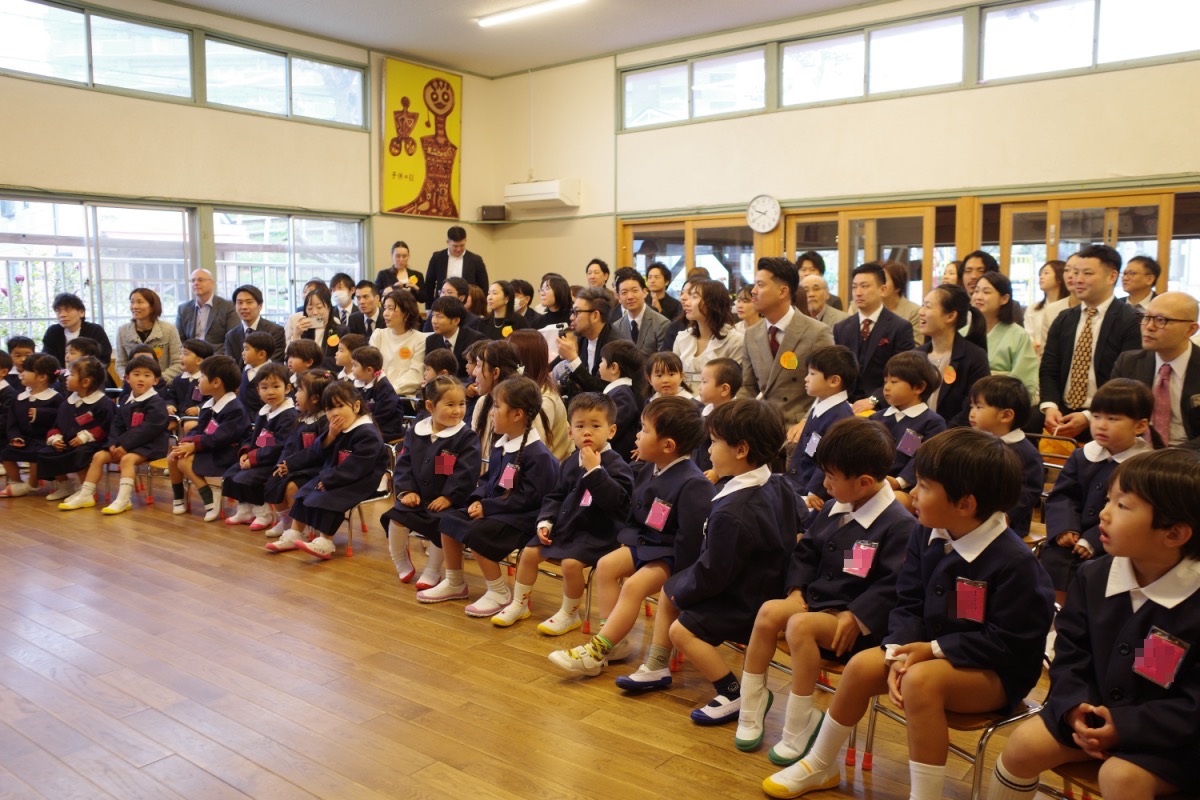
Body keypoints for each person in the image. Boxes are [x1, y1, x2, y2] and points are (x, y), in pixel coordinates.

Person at [762, 428, 1056, 800]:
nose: (912, 494)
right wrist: (899, 649)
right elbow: (908, 602)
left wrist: (932, 651)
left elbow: (1010, 642)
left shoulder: (1015, 563)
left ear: (965, 504)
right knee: (862, 667)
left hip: (994, 670)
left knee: (920, 681)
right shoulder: (926, 533)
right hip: (927, 651)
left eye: (925, 487)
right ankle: (820, 763)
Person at [984, 448, 1200, 800]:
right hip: (1091, 714)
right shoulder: (1093, 575)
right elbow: (1071, 652)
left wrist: (1126, 727)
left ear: (1174, 534)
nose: (1104, 512)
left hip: (1170, 738)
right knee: (1023, 745)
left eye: (1123, 505)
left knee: (1121, 778)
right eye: (1109, 499)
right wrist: (1075, 708)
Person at [736, 417, 912, 758]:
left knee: (799, 626)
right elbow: (806, 553)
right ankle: (751, 704)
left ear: (864, 482)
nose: (824, 483)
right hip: (815, 603)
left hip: (853, 626)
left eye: (831, 476)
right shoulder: (834, 506)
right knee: (770, 611)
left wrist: (857, 615)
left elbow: (895, 585)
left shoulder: (898, 525)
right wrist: (796, 590)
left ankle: (800, 721)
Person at [622, 400, 797, 726]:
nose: (708, 449)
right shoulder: (776, 482)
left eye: (714, 442)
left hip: (745, 598)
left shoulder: (734, 512)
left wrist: (681, 588)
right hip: (760, 584)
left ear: (741, 450)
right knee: (673, 589)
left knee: (682, 629)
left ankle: (731, 691)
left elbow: (715, 572)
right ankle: (657, 665)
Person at [548, 396, 714, 676]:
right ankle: (615, 641)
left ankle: (598, 650)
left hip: (672, 555)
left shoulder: (694, 483)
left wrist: (679, 581)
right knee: (606, 565)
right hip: (648, 545)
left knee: (634, 586)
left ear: (668, 446)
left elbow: (690, 542)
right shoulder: (649, 467)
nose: (637, 436)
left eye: (645, 430)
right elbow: (633, 512)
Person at [491, 392, 636, 632]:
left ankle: (570, 613)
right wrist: (546, 521)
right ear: (570, 432)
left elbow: (618, 504)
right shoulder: (570, 461)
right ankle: (519, 603)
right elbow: (555, 496)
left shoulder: (617, 466)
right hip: (565, 528)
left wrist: (595, 471)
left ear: (611, 431)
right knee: (528, 553)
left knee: (570, 564)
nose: (587, 432)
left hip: (596, 534)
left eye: (595, 426)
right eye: (580, 426)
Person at [418, 376, 559, 615]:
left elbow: (530, 499)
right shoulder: (502, 444)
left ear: (517, 414)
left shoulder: (538, 456)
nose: (491, 413)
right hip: (499, 509)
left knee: (477, 533)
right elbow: (488, 480)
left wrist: (489, 507)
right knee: (449, 520)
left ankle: (498, 591)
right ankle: (455, 582)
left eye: (496, 406)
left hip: (522, 519)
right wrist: (477, 499)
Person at [1040, 378, 1155, 605]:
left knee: (1099, 575)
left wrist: (1093, 539)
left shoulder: (1144, 466)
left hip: (1114, 545)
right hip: (1072, 537)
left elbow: (1132, 514)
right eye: (1096, 416)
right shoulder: (1082, 455)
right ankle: (1058, 612)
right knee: (1054, 557)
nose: (1101, 425)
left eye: (1112, 419)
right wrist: (1065, 528)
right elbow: (1064, 495)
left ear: (1140, 426)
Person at [268, 380, 388, 560]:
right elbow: (316, 451)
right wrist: (330, 436)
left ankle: (325, 541)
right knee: (304, 492)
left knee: (330, 498)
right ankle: (294, 534)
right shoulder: (336, 429)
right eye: (329, 409)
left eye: (340, 406)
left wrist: (328, 480)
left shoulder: (367, 433)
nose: (335, 413)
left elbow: (357, 466)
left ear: (356, 406)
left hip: (360, 481)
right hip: (335, 476)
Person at [379, 376, 481, 587]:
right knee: (395, 517)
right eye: (450, 404)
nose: (457, 410)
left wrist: (449, 497)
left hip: (448, 503)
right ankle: (400, 560)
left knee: (444, 526)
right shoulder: (416, 431)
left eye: (462, 404)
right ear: (430, 406)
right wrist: (407, 491)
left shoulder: (466, 437)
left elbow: (466, 473)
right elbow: (404, 464)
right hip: (417, 498)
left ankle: (433, 570)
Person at [1040, 244, 1143, 440]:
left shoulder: (1131, 321)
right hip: (1061, 413)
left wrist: (1089, 415)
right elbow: (1049, 367)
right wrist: (1050, 406)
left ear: (1112, 277)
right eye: (1075, 272)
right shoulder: (1064, 318)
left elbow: (1128, 380)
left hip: (1109, 415)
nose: (1077, 279)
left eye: (1087, 273)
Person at [57, 355, 169, 513]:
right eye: (136, 374)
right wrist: (113, 444)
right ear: (127, 378)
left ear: (155, 380)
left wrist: (124, 445)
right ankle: (86, 494)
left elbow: (148, 429)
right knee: (98, 456)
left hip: (150, 445)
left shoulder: (156, 402)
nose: (141, 379)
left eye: (147, 375)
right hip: (127, 444)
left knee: (127, 460)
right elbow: (116, 424)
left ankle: (123, 499)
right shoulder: (126, 399)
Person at [739, 257, 835, 434]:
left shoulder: (817, 332)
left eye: (760, 285)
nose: (753, 291)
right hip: (762, 426)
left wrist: (806, 422)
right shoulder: (752, 334)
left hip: (800, 427)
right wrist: (731, 414)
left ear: (783, 291)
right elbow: (749, 387)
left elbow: (830, 389)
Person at [1111, 291, 1200, 447]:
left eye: (1161, 320)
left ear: (1190, 330)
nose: (1149, 327)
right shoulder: (1128, 362)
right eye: (1146, 317)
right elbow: (1113, 413)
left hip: (1190, 455)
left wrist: (1171, 455)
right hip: (1135, 451)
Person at [169, 354, 251, 522]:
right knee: (173, 456)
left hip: (227, 452)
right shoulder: (209, 404)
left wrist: (194, 446)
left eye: (202, 376)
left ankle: (209, 496)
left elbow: (220, 438)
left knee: (183, 462)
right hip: (210, 447)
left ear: (216, 382)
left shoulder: (235, 409)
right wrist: (186, 442)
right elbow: (200, 429)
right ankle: (179, 497)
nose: (199, 380)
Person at [221, 363, 298, 528]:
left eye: (276, 386)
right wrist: (245, 453)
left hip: (274, 461)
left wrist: (253, 459)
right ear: (258, 390)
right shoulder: (264, 412)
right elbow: (255, 437)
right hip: (259, 457)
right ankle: (245, 509)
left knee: (248, 478)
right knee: (230, 475)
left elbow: (279, 446)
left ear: (287, 388)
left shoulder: (289, 415)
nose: (270, 392)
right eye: (264, 387)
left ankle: (263, 513)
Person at [968, 375, 1043, 539]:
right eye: (971, 406)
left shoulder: (1026, 453)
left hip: (1007, 525)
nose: (972, 413)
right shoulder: (976, 442)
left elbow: (1029, 491)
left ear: (1006, 415)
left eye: (979, 407)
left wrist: (1008, 516)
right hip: (974, 516)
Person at [262, 369, 332, 539]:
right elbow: (288, 445)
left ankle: (300, 526)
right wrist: (282, 463)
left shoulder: (324, 422)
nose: (295, 395)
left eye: (300, 390)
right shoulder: (300, 418)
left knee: (292, 487)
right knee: (274, 479)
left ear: (314, 398)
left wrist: (290, 465)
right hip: (292, 465)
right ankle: (286, 521)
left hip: (312, 468)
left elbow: (315, 453)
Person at [835, 263, 916, 411]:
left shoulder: (900, 327)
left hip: (883, 406)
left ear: (882, 289)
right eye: (854, 287)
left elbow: (904, 373)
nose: (858, 293)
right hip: (845, 404)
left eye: (864, 286)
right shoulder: (841, 328)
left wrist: (874, 399)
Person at [785, 345, 856, 510]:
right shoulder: (819, 406)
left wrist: (814, 491)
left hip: (815, 492)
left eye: (812, 374)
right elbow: (809, 449)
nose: (806, 378)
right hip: (798, 482)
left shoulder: (841, 417)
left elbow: (831, 460)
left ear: (834, 381)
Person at [36, 355, 115, 502]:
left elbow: (106, 427)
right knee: (46, 452)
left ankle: (85, 490)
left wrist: (84, 437)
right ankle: (65, 485)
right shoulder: (68, 402)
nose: (67, 377)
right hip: (69, 441)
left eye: (72, 374)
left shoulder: (103, 403)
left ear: (85, 382)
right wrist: (56, 438)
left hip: (93, 444)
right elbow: (57, 425)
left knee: (82, 453)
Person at [869, 351, 946, 494]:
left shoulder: (931, 422)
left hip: (908, 489)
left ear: (919, 387)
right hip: (871, 481)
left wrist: (900, 481)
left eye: (894, 382)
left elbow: (924, 459)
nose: (886, 387)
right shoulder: (876, 418)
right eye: (885, 381)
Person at [917, 283, 991, 428]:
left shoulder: (974, 357)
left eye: (928, 307)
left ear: (950, 316)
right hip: (915, 434)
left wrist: (940, 435)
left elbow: (971, 409)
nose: (921, 312)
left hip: (955, 436)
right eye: (922, 305)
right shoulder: (916, 355)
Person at [0, 353, 63, 497]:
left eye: (27, 371)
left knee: (36, 454)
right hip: (24, 439)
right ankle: (16, 482)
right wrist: (15, 437)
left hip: (43, 439)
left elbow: (59, 418)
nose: (22, 374)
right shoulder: (20, 397)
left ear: (42, 377)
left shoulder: (55, 398)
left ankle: (32, 485)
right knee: (6, 453)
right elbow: (12, 421)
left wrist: (40, 413)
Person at [973, 271, 1040, 404]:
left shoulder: (1019, 335)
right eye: (976, 291)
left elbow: (1024, 382)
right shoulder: (964, 333)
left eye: (986, 292)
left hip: (1003, 403)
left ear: (1004, 299)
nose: (978, 297)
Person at [507, 329, 570, 459]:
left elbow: (531, 456)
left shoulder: (544, 401)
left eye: (508, 355)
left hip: (544, 470)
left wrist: (505, 475)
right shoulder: (513, 394)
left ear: (522, 360)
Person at [556, 286, 629, 397]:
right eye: (572, 311)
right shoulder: (584, 337)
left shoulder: (615, 345)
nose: (571, 317)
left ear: (595, 316)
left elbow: (601, 392)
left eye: (576, 312)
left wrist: (573, 359)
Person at [674, 279, 744, 385]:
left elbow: (736, 385)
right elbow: (672, 374)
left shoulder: (735, 341)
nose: (687, 303)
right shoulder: (682, 338)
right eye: (689, 296)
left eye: (694, 297)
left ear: (712, 303)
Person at [115, 287, 183, 381]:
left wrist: (156, 380)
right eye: (132, 302)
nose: (134, 306)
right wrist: (129, 378)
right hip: (133, 385)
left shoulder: (169, 329)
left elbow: (178, 363)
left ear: (152, 307)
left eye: (140, 302)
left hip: (162, 384)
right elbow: (120, 364)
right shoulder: (123, 331)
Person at [370, 289, 425, 396]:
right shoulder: (378, 335)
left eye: (391, 309)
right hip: (378, 394)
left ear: (406, 313)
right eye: (385, 308)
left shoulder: (420, 339)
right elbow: (371, 368)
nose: (385, 313)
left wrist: (390, 390)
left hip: (404, 396)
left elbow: (416, 374)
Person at [693, 356, 742, 475]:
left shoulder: (737, 418)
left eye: (704, 382)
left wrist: (718, 473)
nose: (699, 387)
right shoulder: (703, 412)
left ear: (724, 389)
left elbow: (736, 453)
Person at [599, 339, 646, 463]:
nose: (599, 365)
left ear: (614, 367)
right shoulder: (618, 391)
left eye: (602, 361)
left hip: (618, 458)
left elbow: (613, 428)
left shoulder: (622, 395)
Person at [43, 292, 114, 372]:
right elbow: (48, 359)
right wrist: (63, 373)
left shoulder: (95, 330)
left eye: (67, 310)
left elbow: (103, 359)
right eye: (58, 311)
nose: (62, 315)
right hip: (60, 376)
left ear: (81, 312)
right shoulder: (52, 332)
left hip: (91, 375)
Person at [174, 269, 238, 356]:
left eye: (200, 280)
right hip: (191, 357)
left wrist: (212, 358)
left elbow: (233, 339)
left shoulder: (228, 306)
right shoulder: (183, 309)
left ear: (212, 283)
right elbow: (178, 339)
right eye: (193, 280)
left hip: (217, 356)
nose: (196, 283)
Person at [351, 346, 406, 442]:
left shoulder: (384, 387)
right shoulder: (356, 383)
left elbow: (383, 415)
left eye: (355, 366)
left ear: (369, 370)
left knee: (357, 438)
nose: (352, 369)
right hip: (365, 425)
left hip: (386, 429)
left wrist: (361, 424)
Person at [424, 296, 485, 382]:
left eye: (439, 317)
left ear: (456, 320)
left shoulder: (475, 340)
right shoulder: (431, 340)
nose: (434, 321)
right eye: (433, 315)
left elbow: (476, 372)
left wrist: (465, 385)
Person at [423, 225, 488, 306]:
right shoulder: (437, 257)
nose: (459, 249)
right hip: (442, 304)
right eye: (455, 246)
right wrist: (429, 307)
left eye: (462, 245)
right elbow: (429, 284)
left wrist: (480, 306)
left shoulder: (476, 260)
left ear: (465, 241)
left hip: (467, 305)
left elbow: (483, 286)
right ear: (448, 242)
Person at [611, 267, 670, 355]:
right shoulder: (616, 327)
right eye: (624, 292)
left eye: (634, 290)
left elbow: (663, 360)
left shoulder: (661, 324)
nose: (630, 297)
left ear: (645, 292)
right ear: (618, 297)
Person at [225, 285, 286, 366]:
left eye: (249, 302)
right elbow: (230, 366)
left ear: (260, 305)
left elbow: (274, 363)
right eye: (240, 303)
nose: (244, 307)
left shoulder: (275, 331)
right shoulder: (231, 336)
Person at [298, 285, 347, 371]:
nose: (314, 312)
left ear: (329, 308)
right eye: (310, 308)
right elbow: (294, 360)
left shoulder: (341, 331)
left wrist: (312, 362)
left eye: (319, 307)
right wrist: (296, 335)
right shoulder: (303, 331)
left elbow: (342, 361)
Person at [1039, 253, 1082, 348]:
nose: (1070, 275)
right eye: (1066, 270)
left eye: (1076, 271)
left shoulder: (1093, 309)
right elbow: (1045, 351)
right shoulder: (1052, 309)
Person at [167, 338, 212, 423]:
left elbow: (211, 400)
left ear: (199, 360)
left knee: (190, 425)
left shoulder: (206, 381)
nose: (180, 357)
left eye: (185, 354)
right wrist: (170, 405)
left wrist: (198, 408)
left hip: (198, 419)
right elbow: (171, 396)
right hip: (178, 417)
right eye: (181, 353)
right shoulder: (178, 380)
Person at [881, 260, 922, 344]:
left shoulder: (914, 311)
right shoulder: (874, 309)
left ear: (897, 287)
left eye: (884, 280)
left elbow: (915, 346)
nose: (880, 285)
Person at [238, 331, 274, 411]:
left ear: (261, 354)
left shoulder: (272, 373)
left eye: (246, 349)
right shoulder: (245, 369)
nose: (242, 353)